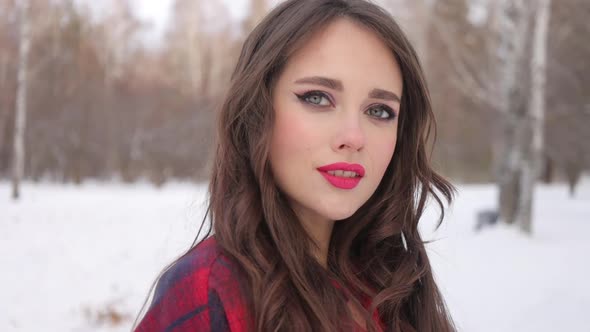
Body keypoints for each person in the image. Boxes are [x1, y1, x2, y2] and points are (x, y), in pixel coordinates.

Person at [134, 0, 456, 331]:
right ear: (257, 111)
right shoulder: (209, 291)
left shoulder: (395, 285)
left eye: (379, 111)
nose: (354, 137)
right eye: (317, 98)